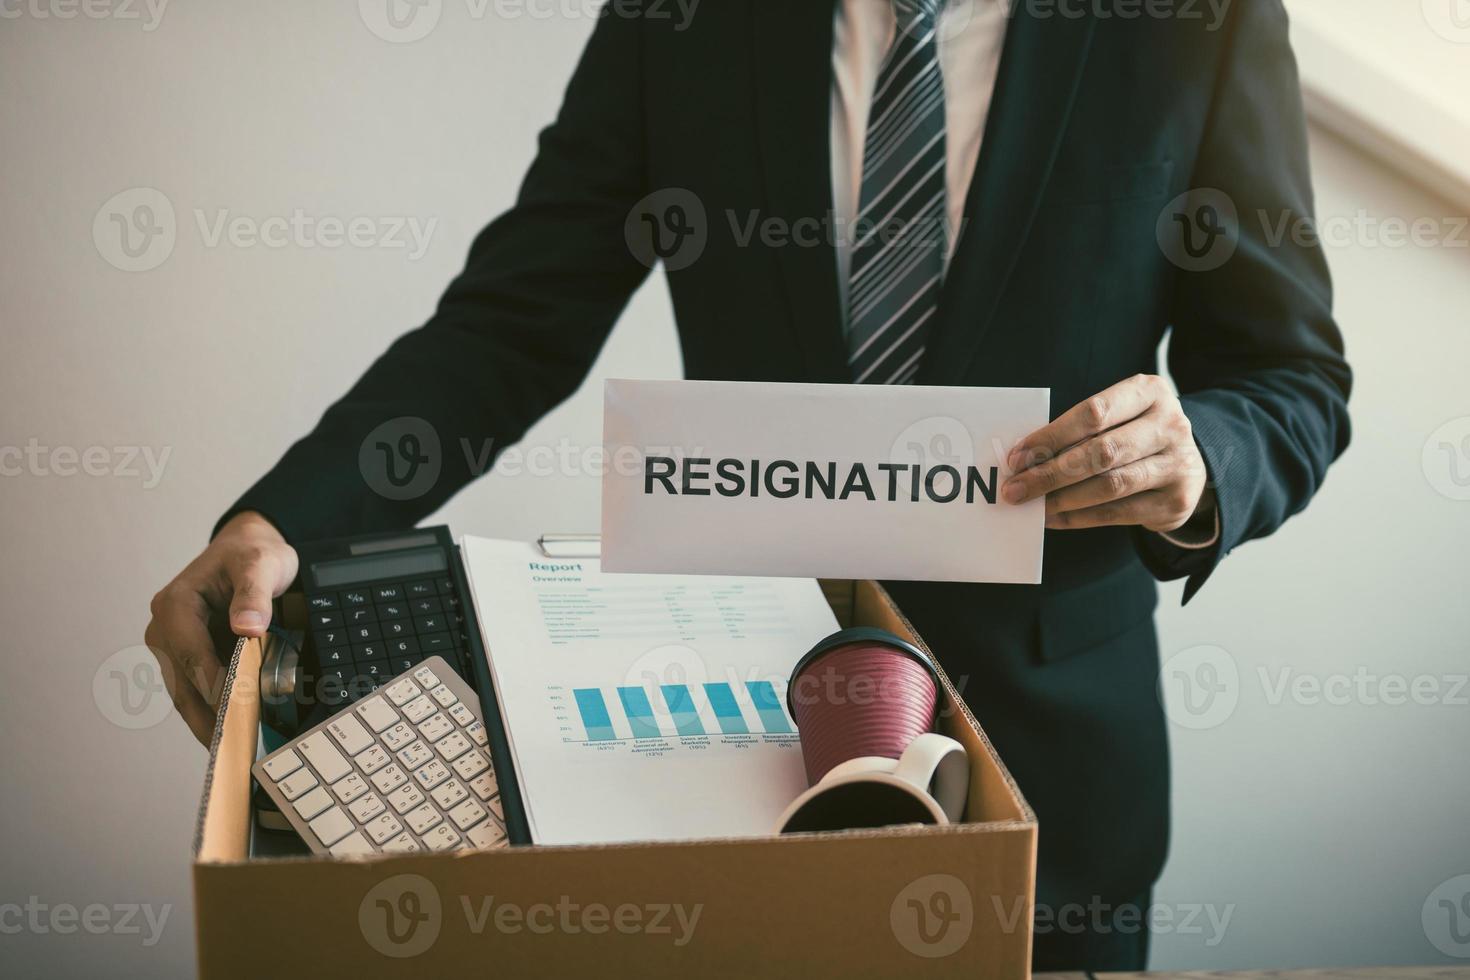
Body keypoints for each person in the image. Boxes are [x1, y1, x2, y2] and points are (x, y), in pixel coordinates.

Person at [144, 0, 1350, 968]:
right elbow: (513, 321)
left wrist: (1201, 458)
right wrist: (286, 516)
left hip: (1054, 795)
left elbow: (1290, 377)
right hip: (730, 760)